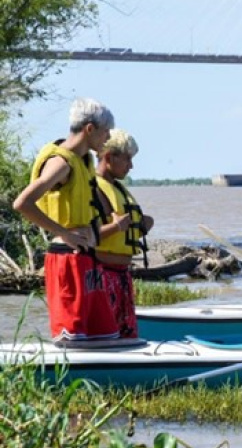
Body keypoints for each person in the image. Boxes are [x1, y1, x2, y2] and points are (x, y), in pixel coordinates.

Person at [13, 98, 119, 342]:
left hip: (87, 257)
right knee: (71, 335)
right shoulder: (60, 163)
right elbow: (22, 203)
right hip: (66, 259)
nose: (108, 138)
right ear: (89, 129)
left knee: (105, 333)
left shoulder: (84, 160)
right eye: (106, 132)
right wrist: (65, 233)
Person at [95, 129, 154, 338]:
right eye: (127, 159)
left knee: (126, 335)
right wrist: (115, 227)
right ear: (109, 157)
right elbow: (81, 237)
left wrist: (141, 225)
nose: (131, 166)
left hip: (122, 275)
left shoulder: (118, 188)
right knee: (106, 335)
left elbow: (123, 232)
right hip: (102, 276)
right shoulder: (92, 188)